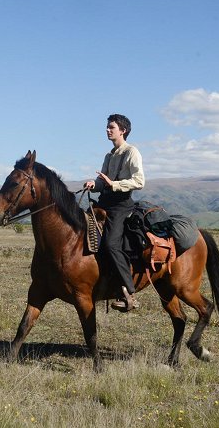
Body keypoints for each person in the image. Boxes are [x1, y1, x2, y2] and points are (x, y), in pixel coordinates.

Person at [84, 114, 145, 312]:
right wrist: (95, 184)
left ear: (123, 130)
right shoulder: (109, 155)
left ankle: (129, 291)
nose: (107, 130)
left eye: (111, 127)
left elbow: (139, 181)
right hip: (105, 202)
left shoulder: (132, 152)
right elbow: (103, 182)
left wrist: (114, 184)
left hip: (121, 205)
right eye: (107, 127)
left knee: (110, 243)